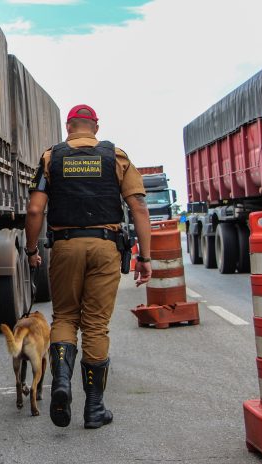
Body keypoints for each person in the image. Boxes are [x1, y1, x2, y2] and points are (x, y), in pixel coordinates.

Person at [24, 104, 151, 429]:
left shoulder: (51, 157)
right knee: (95, 325)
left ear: (69, 126)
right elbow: (137, 205)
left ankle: (62, 383)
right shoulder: (116, 156)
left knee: (65, 317)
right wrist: (145, 257)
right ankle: (94, 410)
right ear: (95, 126)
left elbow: (35, 210)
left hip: (65, 246)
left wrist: (31, 249)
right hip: (105, 246)